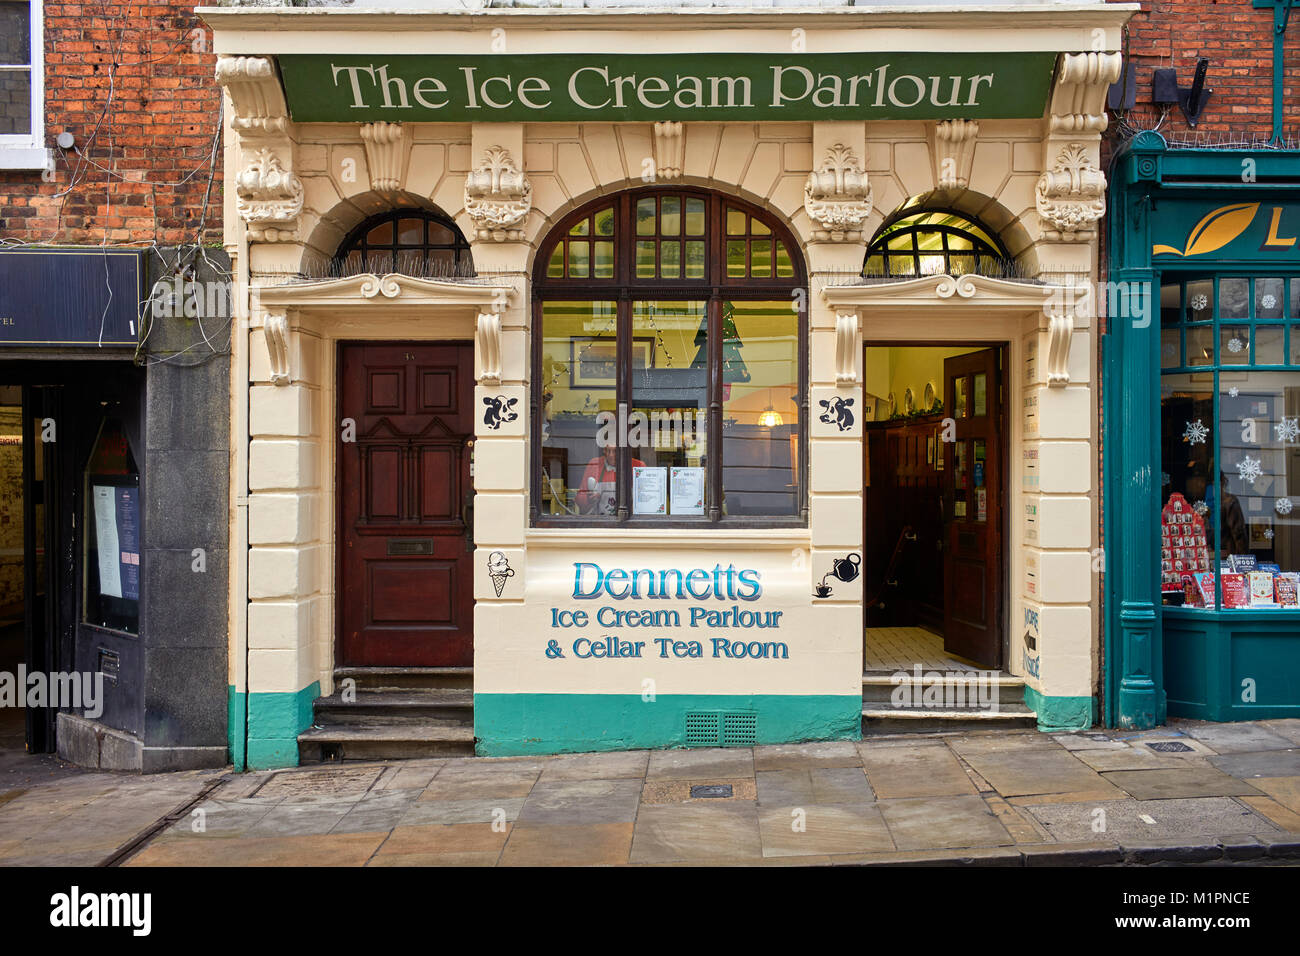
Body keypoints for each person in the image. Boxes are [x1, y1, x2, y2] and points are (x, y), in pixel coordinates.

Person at [576, 444, 645, 515]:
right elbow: (579, 498)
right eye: (608, 451)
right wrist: (589, 499)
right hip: (600, 522)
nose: (611, 455)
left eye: (615, 451)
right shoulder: (595, 464)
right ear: (604, 451)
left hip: (627, 521)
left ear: (624, 451)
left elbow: (645, 500)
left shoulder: (638, 465)